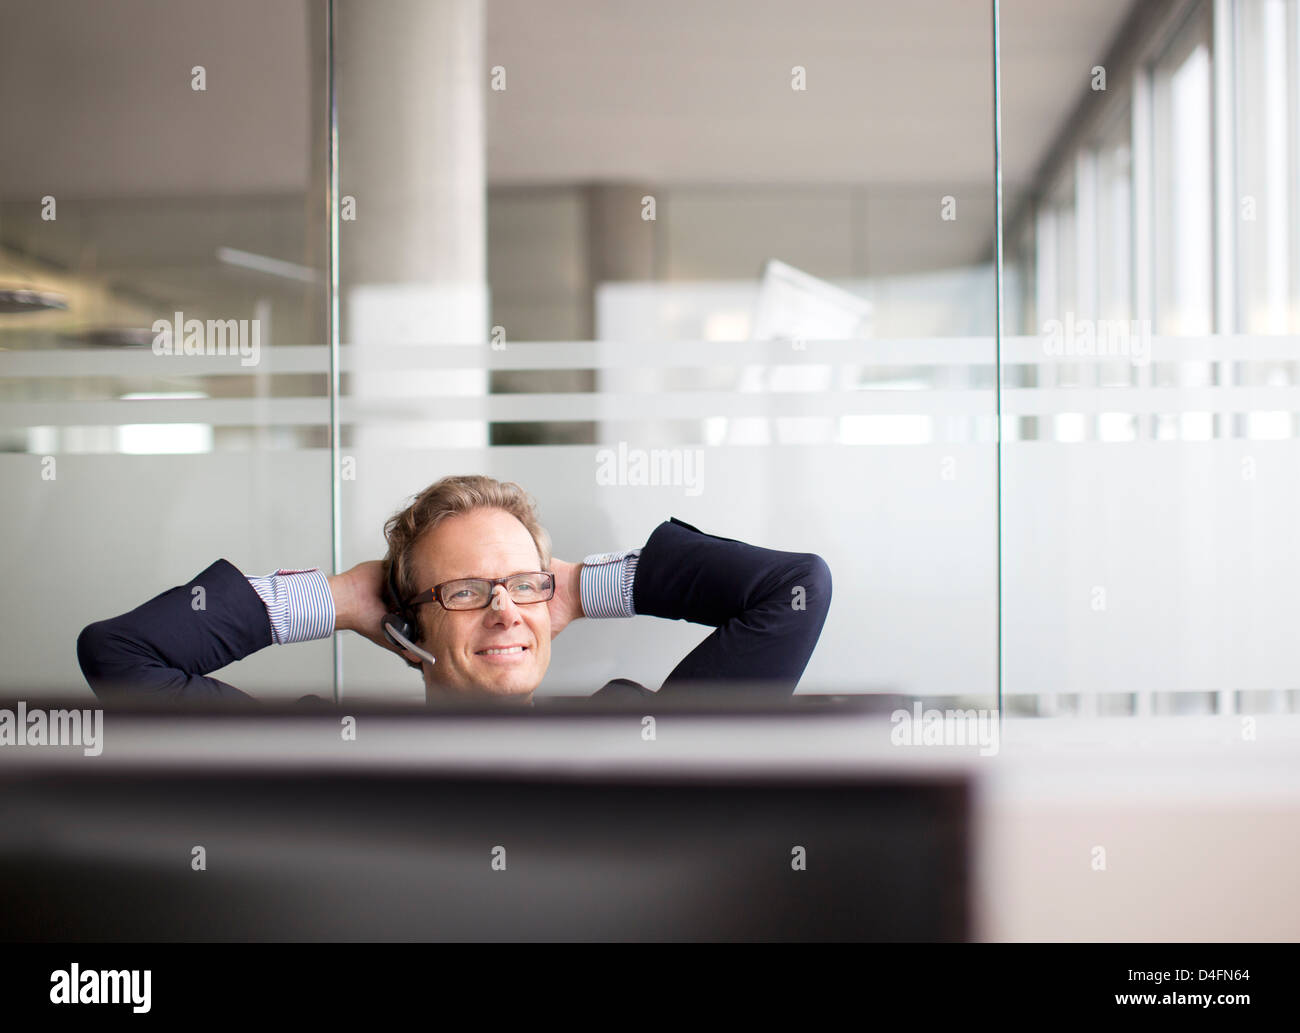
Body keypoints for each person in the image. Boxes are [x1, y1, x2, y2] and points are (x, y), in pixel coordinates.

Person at [76, 474, 832, 705]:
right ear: (408, 631)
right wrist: (340, 598)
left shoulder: (633, 743)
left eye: (521, 586)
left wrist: (576, 585)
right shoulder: (332, 759)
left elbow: (794, 590)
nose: (505, 607)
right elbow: (122, 653)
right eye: (467, 591)